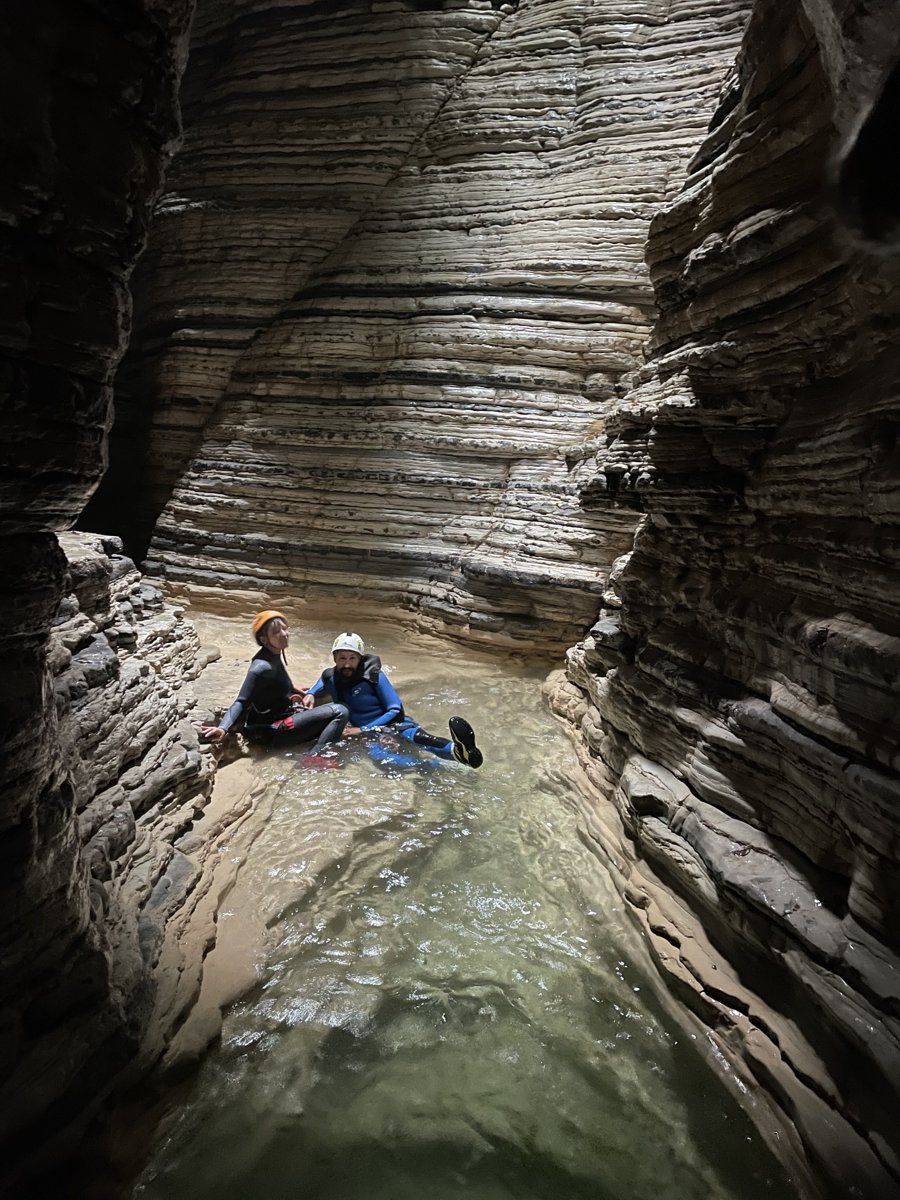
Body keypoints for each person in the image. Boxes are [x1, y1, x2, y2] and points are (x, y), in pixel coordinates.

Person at [301, 633, 483, 768]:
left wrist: (364, 729)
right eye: (342, 658)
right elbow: (321, 681)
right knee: (383, 761)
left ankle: (459, 752)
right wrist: (310, 693)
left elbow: (395, 709)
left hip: (394, 723)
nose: (347, 664)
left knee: (421, 739)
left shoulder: (374, 676)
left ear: (360, 659)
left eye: (352, 658)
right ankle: (430, 767)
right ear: (334, 658)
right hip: (370, 734)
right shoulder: (331, 677)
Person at [201, 611, 349, 765]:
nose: (284, 634)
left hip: (281, 717)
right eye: (276, 632)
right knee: (341, 710)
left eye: (285, 629)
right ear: (264, 639)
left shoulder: (273, 654)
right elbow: (241, 701)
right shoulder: (261, 667)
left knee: (326, 695)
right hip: (273, 731)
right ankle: (316, 758)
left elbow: (278, 682)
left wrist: (297, 690)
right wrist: (223, 728)